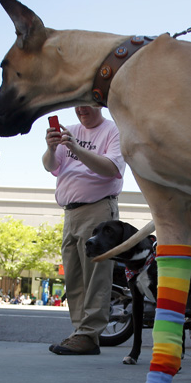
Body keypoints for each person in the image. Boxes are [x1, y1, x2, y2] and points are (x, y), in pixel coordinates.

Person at [43, 106, 126, 355]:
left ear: (99, 103)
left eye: (86, 103)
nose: (81, 109)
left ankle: (89, 334)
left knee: (96, 276)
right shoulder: (71, 131)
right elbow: (50, 166)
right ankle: (80, 332)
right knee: (75, 277)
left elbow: (112, 168)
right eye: (77, 104)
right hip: (70, 213)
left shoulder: (113, 130)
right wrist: (50, 147)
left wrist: (76, 149)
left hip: (98, 210)